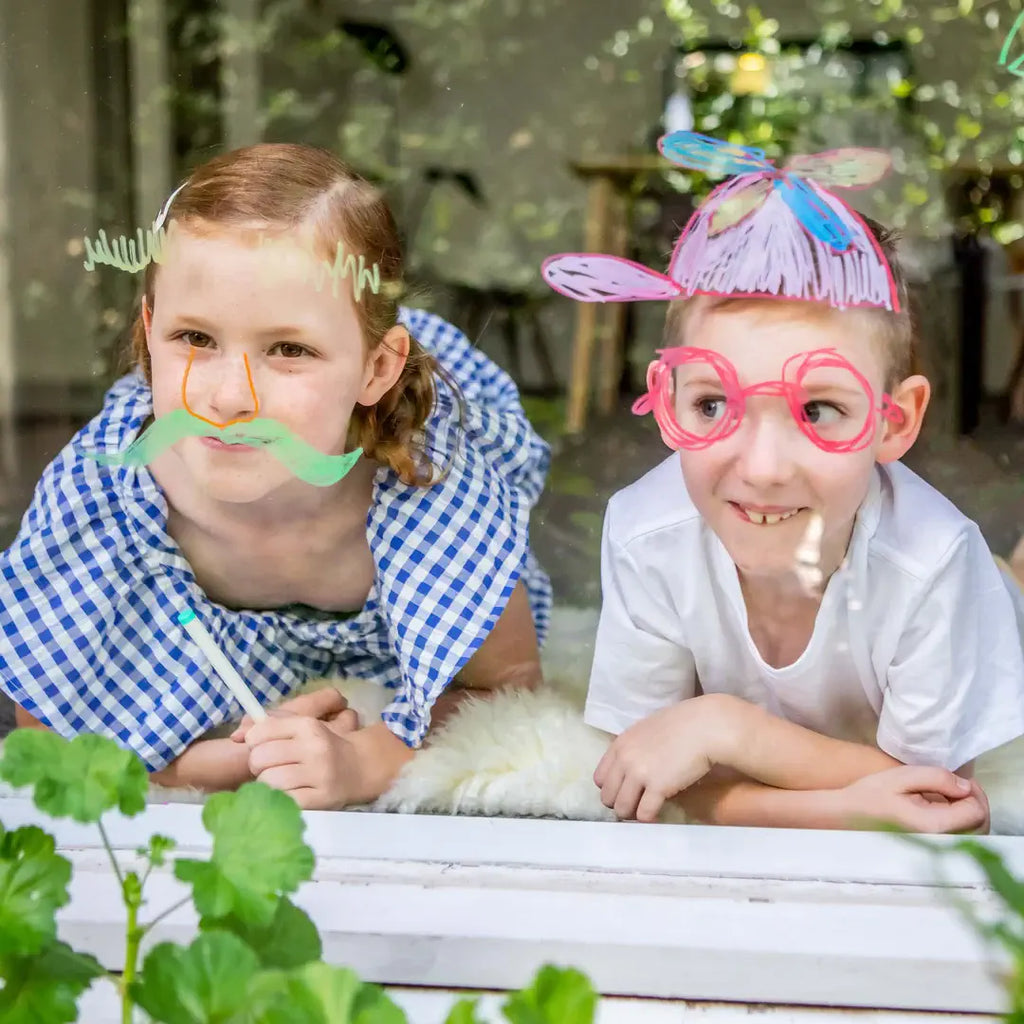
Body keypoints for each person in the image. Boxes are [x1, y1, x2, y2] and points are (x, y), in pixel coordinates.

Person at [0, 143, 551, 809]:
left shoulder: (427, 490)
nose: (231, 398)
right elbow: (45, 718)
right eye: (195, 339)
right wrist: (198, 770)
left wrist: (369, 761)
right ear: (149, 336)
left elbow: (509, 684)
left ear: (375, 371)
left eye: (289, 349)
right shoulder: (106, 495)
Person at [543, 132, 1024, 833]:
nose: (763, 468)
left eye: (819, 409)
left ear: (896, 421)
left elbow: (935, 799)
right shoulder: (646, 533)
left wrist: (728, 730)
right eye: (713, 404)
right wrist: (842, 805)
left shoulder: (936, 563)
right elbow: (645, 775)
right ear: (666, 398)